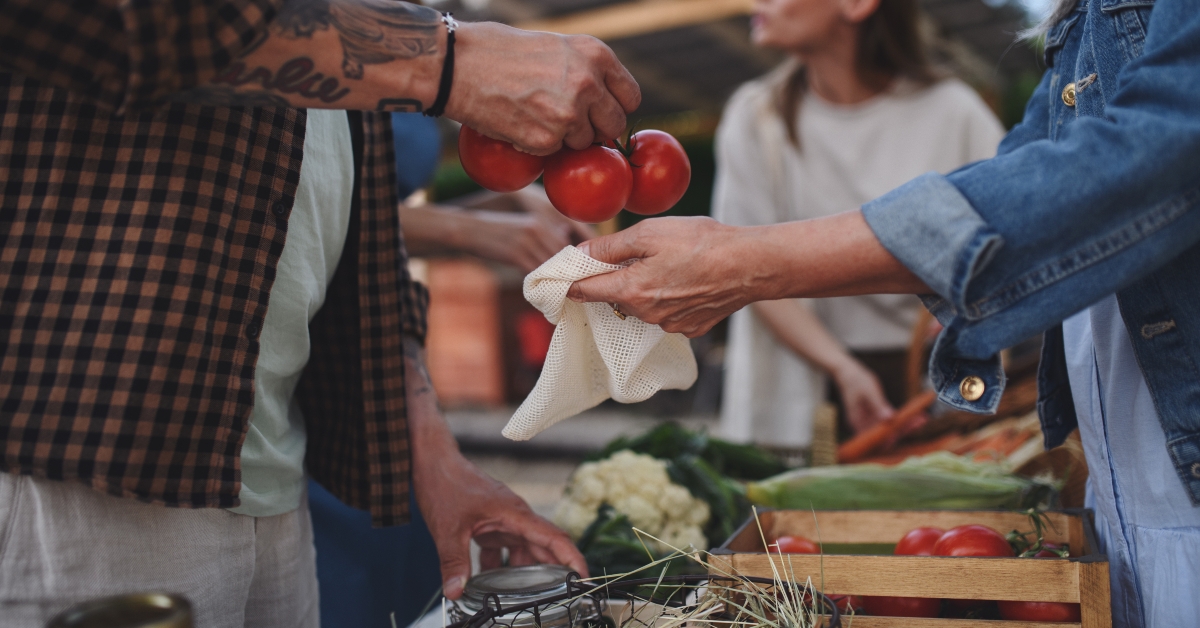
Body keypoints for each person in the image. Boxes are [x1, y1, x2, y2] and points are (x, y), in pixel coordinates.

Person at [0, 0, 639, 625]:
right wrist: (445, 60)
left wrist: (439, 466)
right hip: (69, 466)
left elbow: (358, 255)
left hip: (270, 482)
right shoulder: (391, 40)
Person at [568, 0, 1200, 625]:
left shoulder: (951, 102)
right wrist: (752, 267)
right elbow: (1026, 180)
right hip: (1121, 499)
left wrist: (750, 262)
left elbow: (1152, 154)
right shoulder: (1081, 21)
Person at [310, 112, 594, 628]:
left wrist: (501, 205)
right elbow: (310, 214)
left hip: (380, 353)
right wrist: (471, 230)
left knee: (418, 570)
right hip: (314, 364)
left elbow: (374, 227)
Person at [712, 0, 1003, 453]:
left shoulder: (955, 113)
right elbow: (744, 267)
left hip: (930, 385)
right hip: (804, 391)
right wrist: (842, 368)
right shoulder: (755, 117)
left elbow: (1005, 246)